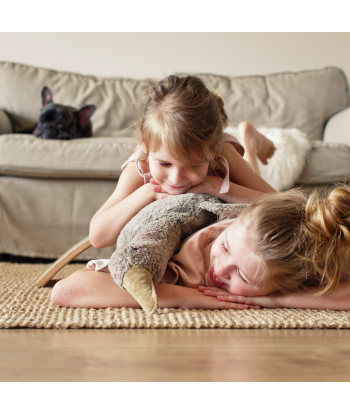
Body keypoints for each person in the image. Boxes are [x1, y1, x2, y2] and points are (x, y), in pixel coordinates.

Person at [51, 184, 350, 311]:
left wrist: (275, 301)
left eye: (243, 278)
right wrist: (191, 296)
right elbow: (66, 290)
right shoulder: (190, 260)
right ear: (233, 222)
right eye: (226, 247)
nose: (220, 270)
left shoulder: (300, 262)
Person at [88, 74, 276, 250]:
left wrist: (217, 187)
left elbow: (285, 205)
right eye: (164, 164)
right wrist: (147, 192)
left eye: (193, 165)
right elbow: (97, 237)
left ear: (212, 152)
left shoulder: (222, 153)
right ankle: (248, 139)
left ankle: (249, 141)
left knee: (252, 177)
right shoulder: (142, 164)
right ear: (145, 145)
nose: (176, 179)